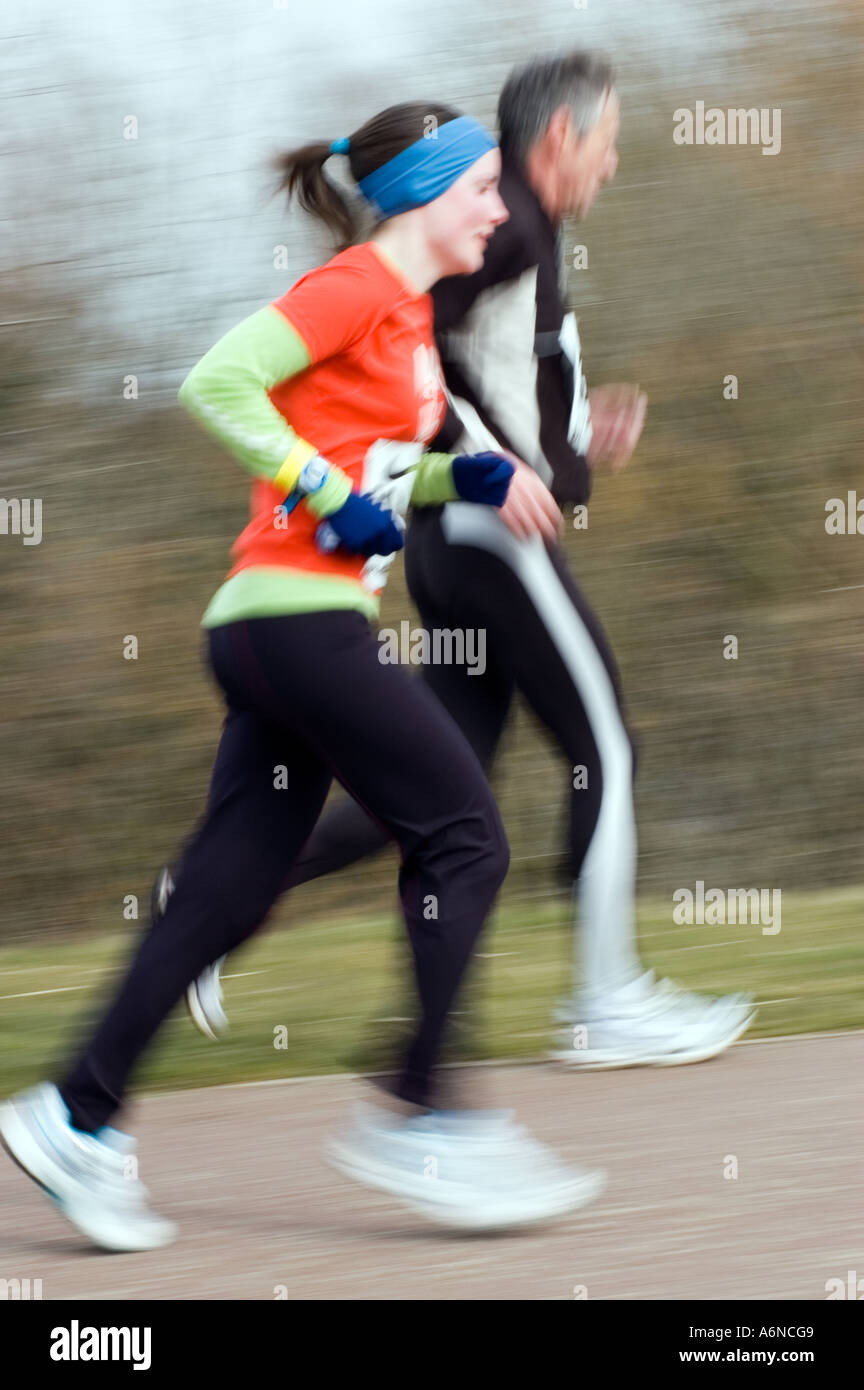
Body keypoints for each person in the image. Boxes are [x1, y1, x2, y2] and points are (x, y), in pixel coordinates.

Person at [0, 102, 606, 1251]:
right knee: (466, 834)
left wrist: (456, 485)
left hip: (273, 628)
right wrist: (330, 499)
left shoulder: (410, 317)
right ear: (427, 193)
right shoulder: (358, 286)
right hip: (299, 625)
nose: (498, 208)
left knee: (230, 883)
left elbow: (366, 469)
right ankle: (421, 1110)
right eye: (481, 188)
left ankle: (75, 1113)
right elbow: (218, 382)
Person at [165, 52, 755, 1067]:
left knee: (438, 791)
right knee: (605, 746)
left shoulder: (523, 226)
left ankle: (216, 889)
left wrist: (572, 440)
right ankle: (603, 999)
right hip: (487, 539)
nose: (612, 167)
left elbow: (486, 369)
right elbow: (416, 349)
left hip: (453, 546)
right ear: (560, 138)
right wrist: (493, 461)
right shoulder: (511, 219)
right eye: (608, 145)